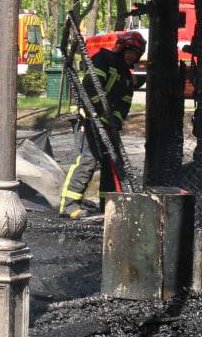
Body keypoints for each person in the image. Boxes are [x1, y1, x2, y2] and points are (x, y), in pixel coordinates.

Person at [59, 30, 145, 218]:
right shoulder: (103, 59)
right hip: (89, 118)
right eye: (132, 52)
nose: (134, 57)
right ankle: (69, 205)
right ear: (123, 48)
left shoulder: (127, 76)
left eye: (137, 54)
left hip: (107, 125)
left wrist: (114, 121)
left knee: (111, 163)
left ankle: (107, 204)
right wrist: (100, 115)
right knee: (88, 160)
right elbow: (91, 87)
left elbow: (124, 103)